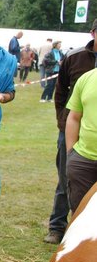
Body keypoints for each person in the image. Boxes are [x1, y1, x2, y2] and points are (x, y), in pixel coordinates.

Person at [43, 19, 97, 244]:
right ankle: (57, 226)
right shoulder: (75, 57)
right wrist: (62, 123)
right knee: (67, 178)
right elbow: (60, 92)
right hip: (71, 130)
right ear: (93, 33)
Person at [66, 68, 97, 214]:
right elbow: (74, 117)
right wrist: (71, 153)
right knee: (80, 215)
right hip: (83, 162)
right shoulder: (87, 78)